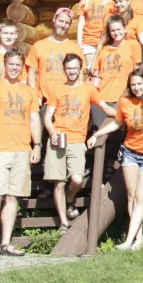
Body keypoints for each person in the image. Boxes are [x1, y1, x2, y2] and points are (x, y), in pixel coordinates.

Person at [0, 49, 41, 258]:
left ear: (22, 66)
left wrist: (37, 145)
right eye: (11, 63)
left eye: (18, 64)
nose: (14, 67)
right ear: (5, 64)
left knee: (13, 197)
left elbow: (33, 120)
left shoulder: (29, 92)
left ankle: (5, 243)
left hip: (22, 150)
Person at [87, 69, 143, 250]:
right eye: (133, 85)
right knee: (132, 195)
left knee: (141, 197)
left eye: (139, 84)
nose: (136, 88)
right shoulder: (126, 102)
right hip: (130, 152)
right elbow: (117, 123)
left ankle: (129, 240)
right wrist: (97, 134)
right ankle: (138, 239)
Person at [43, 54, 102, 232]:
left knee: (77, 179)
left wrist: (120, 116)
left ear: (80, 68)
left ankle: (70, 199)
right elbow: (47, 116)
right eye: (69, 68)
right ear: (64, 69)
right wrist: (52, 132)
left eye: (75, 68)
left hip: (77, 140)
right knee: (59, 182)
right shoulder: (57, 89)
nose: (72, 71)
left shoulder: (89, 89)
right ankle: (63, 222)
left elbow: (104, 106)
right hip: (58, 138)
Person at [89, 16, 141, 130]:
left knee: (118, 135)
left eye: (119, 29)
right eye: (113, 30)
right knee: (99, 136)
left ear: (125, 28)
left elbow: (137, 73)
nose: (116, 33)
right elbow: (95, 74)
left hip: (122, 98)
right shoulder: (103, 50)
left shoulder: (133, 45)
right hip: (101, 100)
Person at [25, 9, 82, 105]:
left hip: (67, 102)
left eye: (67, 23)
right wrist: (34, 96)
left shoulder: (75, 48)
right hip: (44, 102)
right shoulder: (38, 46)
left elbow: (79, 76)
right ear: (54, 19)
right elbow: (31, 73)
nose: (63, 25)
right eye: (61, 21)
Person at [75, 0, 113, 65]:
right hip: (88, 41)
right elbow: (81, 23)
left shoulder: (112, 0)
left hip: (106, 42)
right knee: (90, 71)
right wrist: (79, 44)